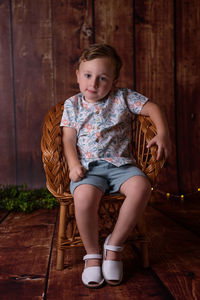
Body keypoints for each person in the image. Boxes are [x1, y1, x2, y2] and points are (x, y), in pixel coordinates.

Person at [60, 44, 171, 288]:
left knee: (142, 187)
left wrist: (162, 133)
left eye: (103, 78)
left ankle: (114, 246)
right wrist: (73, 164)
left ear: (114, 80)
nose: (94, 83)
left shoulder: (123, 97)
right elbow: (68, 139)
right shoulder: (73, 105)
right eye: (88, 75)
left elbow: (153, 108)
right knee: (84, 198)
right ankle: (92, 254)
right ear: (77, 75)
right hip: (89, 168)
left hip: (122, 166)